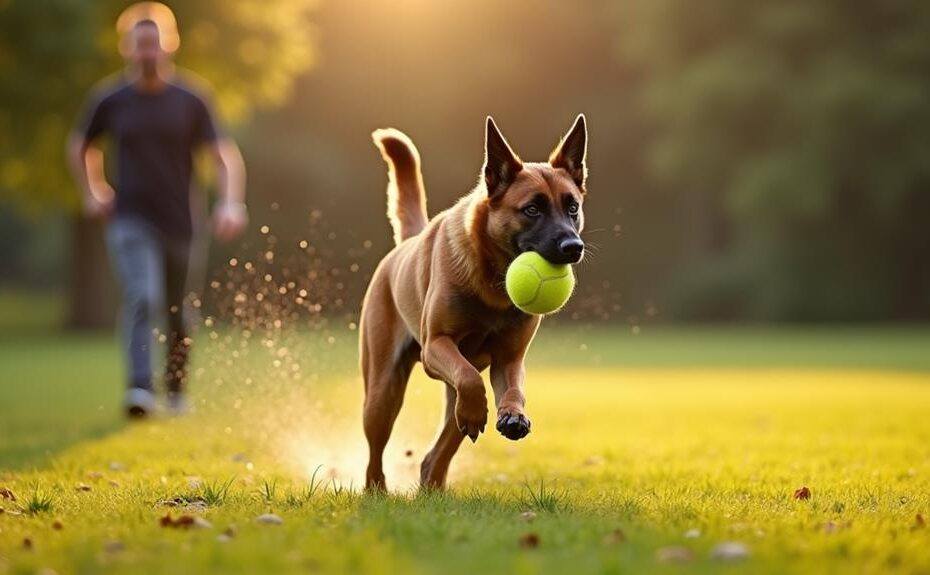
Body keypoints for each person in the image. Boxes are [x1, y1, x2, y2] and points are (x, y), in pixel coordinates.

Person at [68, 2, 247, 417]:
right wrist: (92, 191)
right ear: (127, 47)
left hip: (182, 222)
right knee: (142, 295)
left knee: (178, 313)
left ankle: (176, 391)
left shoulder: (192, 99)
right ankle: (139, 390)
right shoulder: (111, 99)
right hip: (130, 218)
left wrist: (230, 202)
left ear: (170, 45)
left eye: (154, 43)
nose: (147, 51)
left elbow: (223, 155)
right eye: (140, 44)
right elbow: (80, 145)